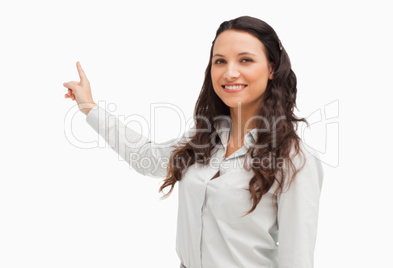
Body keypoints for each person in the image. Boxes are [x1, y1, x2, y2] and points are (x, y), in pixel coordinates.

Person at [63, 16, 324, 268]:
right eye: (220, 61)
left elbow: (297, 260)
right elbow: (145, 157)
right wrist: (89, 107)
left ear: (271, 68)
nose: (230, 72)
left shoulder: (295, 160)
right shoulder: (204, 138)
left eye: (245, 60)